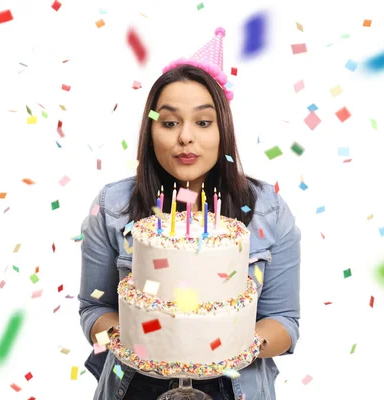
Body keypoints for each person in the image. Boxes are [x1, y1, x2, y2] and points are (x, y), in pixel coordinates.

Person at [79, 27, 301, 400]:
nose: (185, 137)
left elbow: (285, 323)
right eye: (169, 122)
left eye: (202, 122)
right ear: (150, 132)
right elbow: (92, 310)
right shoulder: (112, 206)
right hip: (134, 388)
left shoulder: (267, 210)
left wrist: (225, 343)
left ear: (223, 131)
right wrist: (138, 339)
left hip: (235, 388)